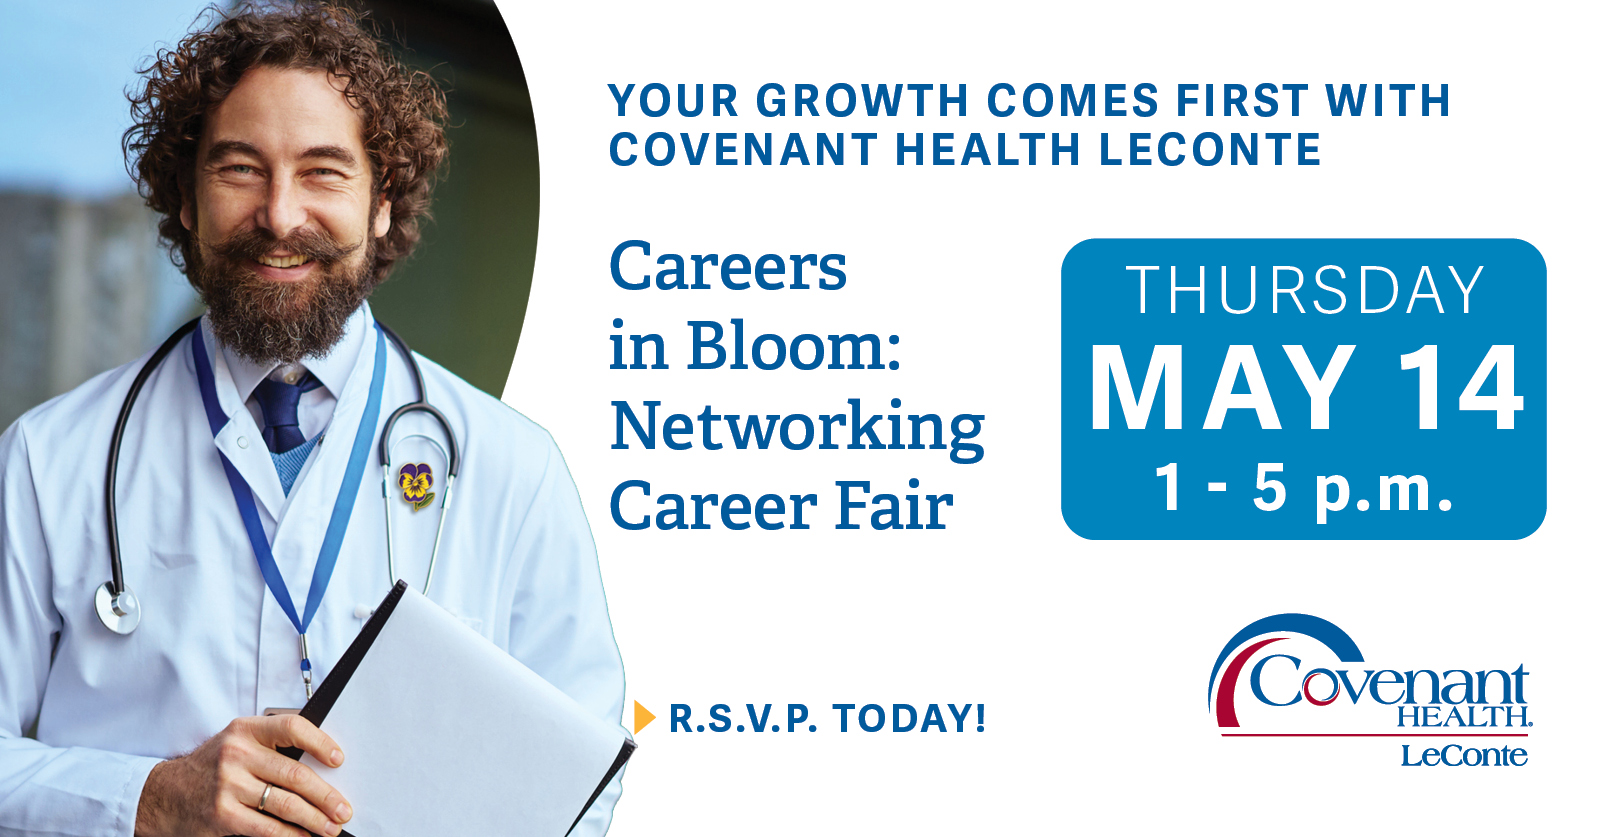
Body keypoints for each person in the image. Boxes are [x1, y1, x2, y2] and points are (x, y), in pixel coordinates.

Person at [0, 5, 624, 837]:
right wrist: (146, 798)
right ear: (187, 201)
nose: (281, 213)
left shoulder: (513, 468)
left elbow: (582, 781)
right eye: (239, 169)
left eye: (324, 171)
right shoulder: (50, 460)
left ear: (380, 203)